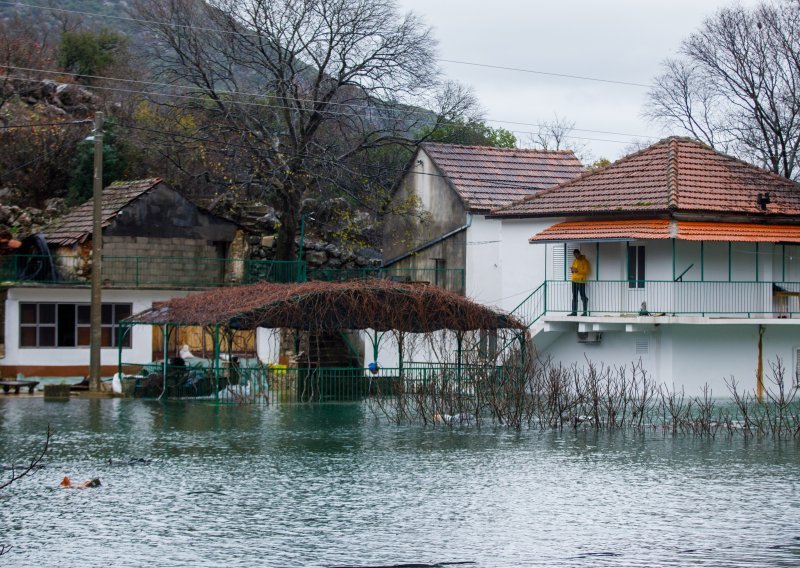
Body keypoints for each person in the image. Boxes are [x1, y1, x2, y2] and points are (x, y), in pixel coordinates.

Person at [569, 249, 590, 316]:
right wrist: (572, 270)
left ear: (579, 253)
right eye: (574, 255)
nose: (575, 256)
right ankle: (574, 312)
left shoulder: (584, 261)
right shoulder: (575, 260)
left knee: (582, 296)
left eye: (576, 255)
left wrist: (577, 270)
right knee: (574, 296)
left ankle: (585, 312)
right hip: (574, 281)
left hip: (581, 281)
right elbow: (574, 270)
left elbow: (586, 271)